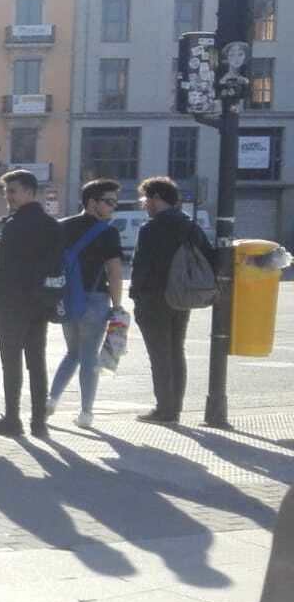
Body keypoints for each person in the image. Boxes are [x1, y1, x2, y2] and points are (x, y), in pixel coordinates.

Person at [0, 169, 62, 438]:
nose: (8, 196)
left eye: (12, 191)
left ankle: (12, 419)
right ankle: (39, 422)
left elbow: (3, 267)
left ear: (29, 191)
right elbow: (56, 266)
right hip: (39, 304)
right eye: (7, 191)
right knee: (36, 363)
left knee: (12, 363)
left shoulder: (15, 225)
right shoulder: (51, 225)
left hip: (13, 302)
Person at [130, 176, 212, 424]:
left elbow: (141, 266)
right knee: (176, 351)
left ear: (156, 198)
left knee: (159, 354)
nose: (144, 204)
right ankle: (174, 407)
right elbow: (207, 256)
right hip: (181, 297)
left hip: (153, 298)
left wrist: (135, 295)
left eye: (146, 199)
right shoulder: (190, 225)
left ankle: (165, 410)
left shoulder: (151, 228)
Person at [46, 179, 125, 429]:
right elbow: (114, 272)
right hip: (95, 300)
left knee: (72, 352)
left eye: (115, 202)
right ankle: (86, 413)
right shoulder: (108, 232)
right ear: (92, 202)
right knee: (89, 357)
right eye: (109, 202)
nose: (113, 207)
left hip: (67, 298)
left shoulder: (60, 227)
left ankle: (51, 400)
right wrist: (117, 305)